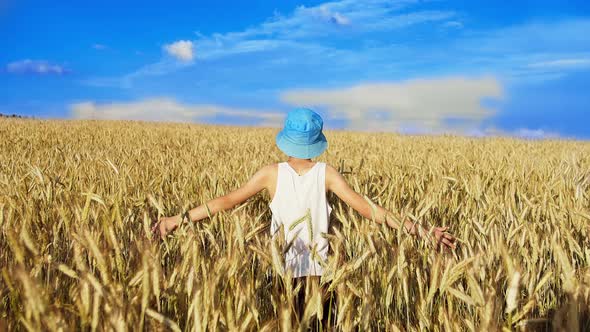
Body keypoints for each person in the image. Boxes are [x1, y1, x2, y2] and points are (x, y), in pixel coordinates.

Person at [152, 108, 456, 327]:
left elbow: (225, 202)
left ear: (286, 140)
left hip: (282, 272)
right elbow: (370, 210)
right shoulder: (327, 174)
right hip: (321, 274)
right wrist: (422, 231)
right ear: (316, 142)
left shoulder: (270, 174)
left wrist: (176, 219)